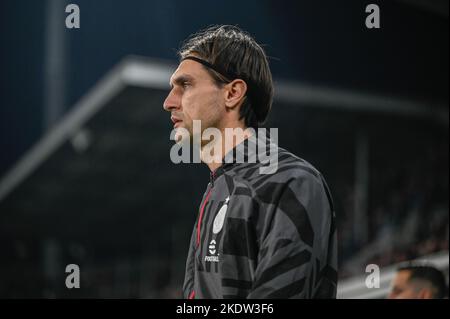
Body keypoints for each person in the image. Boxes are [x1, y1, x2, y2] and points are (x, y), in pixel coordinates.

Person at [163, 25, 337, 299]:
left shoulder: (290, 180)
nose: (168, 102)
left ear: (232, 93)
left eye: (184, 85)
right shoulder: (215, 190)